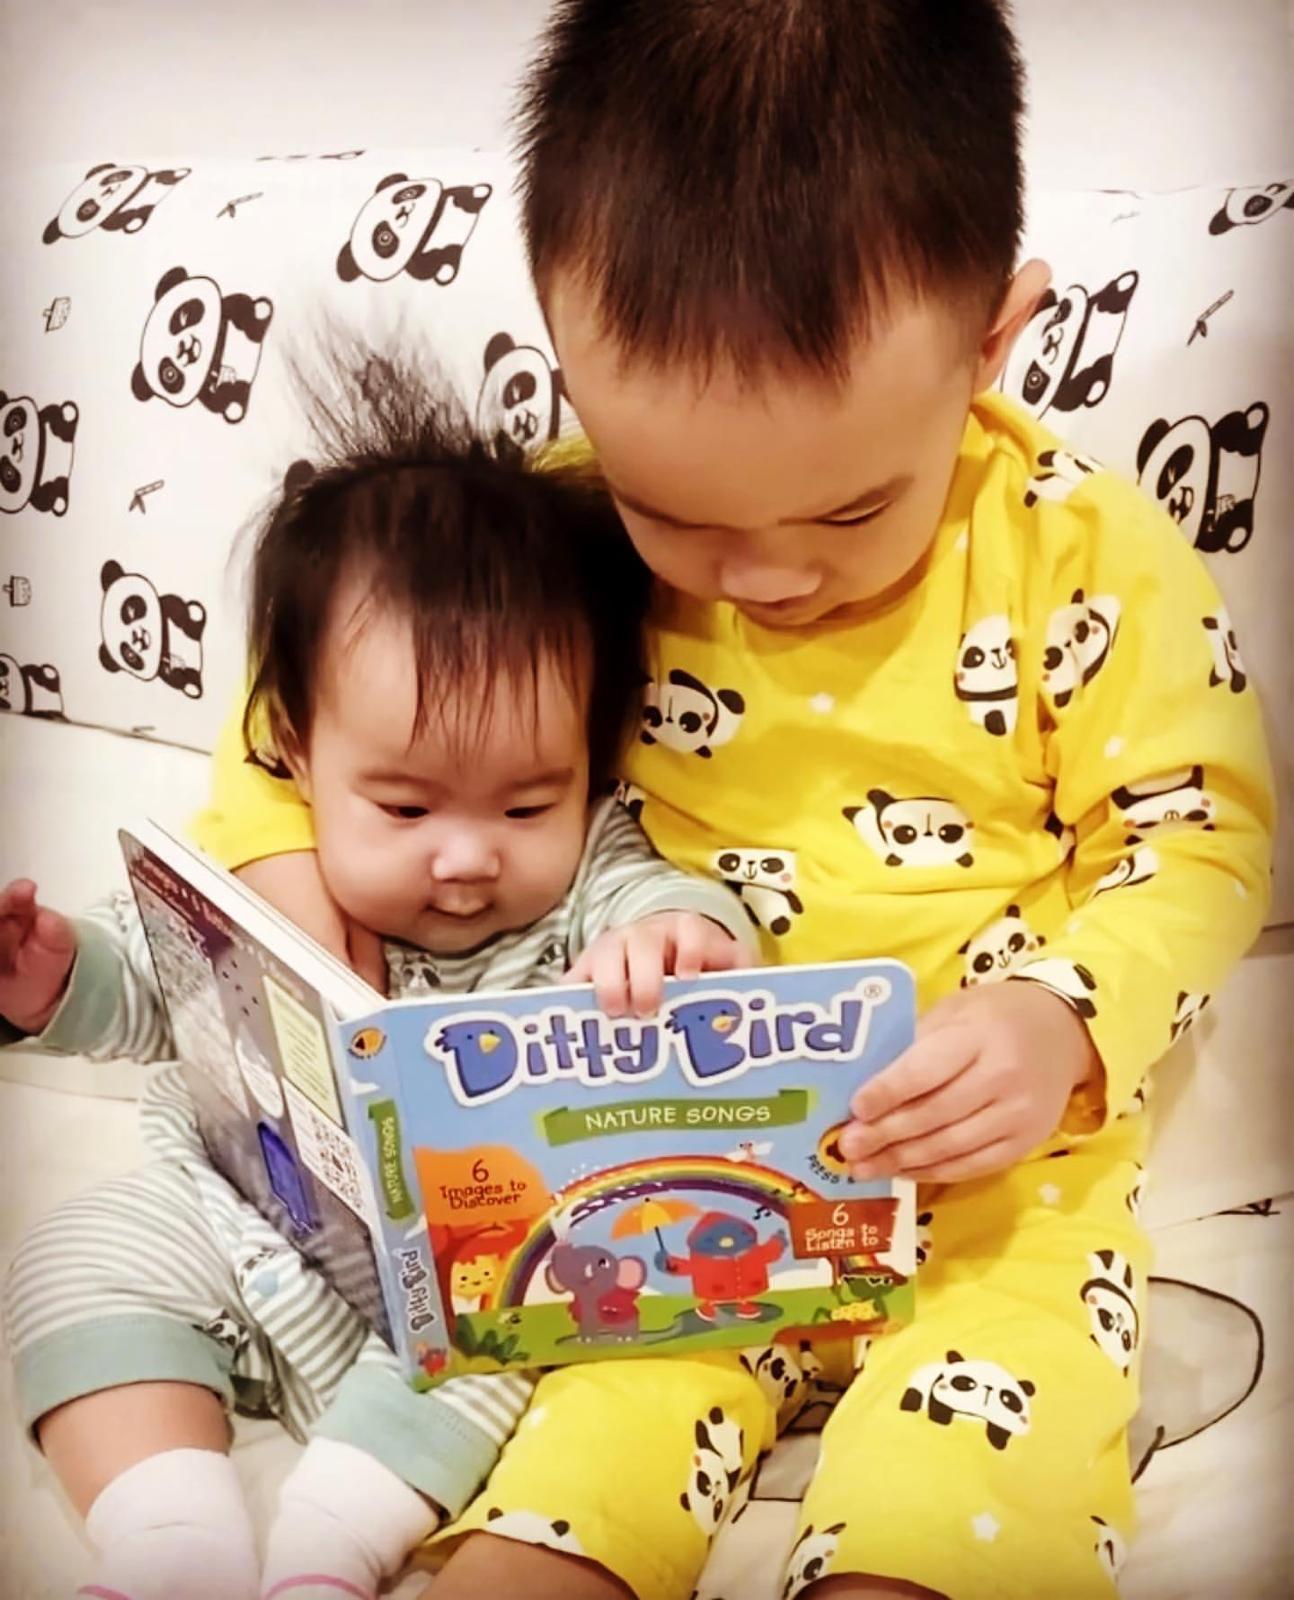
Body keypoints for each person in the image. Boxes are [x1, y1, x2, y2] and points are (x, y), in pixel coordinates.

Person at [194, 4, 1275, 1598]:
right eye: (673, 511)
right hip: (645, 1182)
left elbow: (1194, 837)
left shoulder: (1080, 553)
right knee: (544, 1527)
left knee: (949, 1527)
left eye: (849, 505)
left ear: (991, 343)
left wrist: (1063, 1024)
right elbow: (302, 720)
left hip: (985, 1207)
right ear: (570, 365)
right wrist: (299, 892)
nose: (762, 574)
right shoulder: (547, 532)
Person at [0, 352, 750, 1600]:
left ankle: (325, 1557)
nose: (465, 856)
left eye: (528, 798)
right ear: (298, 756)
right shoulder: (265, 877)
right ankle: (169, 1543)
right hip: (239, 1215)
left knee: (529, 1323)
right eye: (402, 804)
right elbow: (149, 984)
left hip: (459, 1276)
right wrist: (48, 977)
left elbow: (661, 892)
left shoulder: (585, 880)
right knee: (77, 1247)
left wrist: (674, 944)